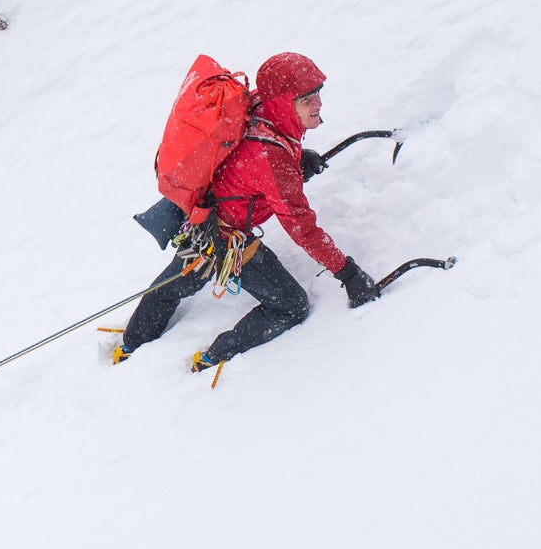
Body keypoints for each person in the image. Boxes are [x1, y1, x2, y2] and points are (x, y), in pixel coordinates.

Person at [113, 52, 380, 370]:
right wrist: (347, 274)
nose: (318, 104)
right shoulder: (272, 156)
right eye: (306, 98)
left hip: (204, 221)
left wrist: (297, 158)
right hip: (224, 240)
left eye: (318, 93)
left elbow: (254, 160)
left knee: (172, 285)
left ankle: (130, 344)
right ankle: (213, 356)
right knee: (291, 306)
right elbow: (301, 227)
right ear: (283, 102)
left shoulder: (258, 107)